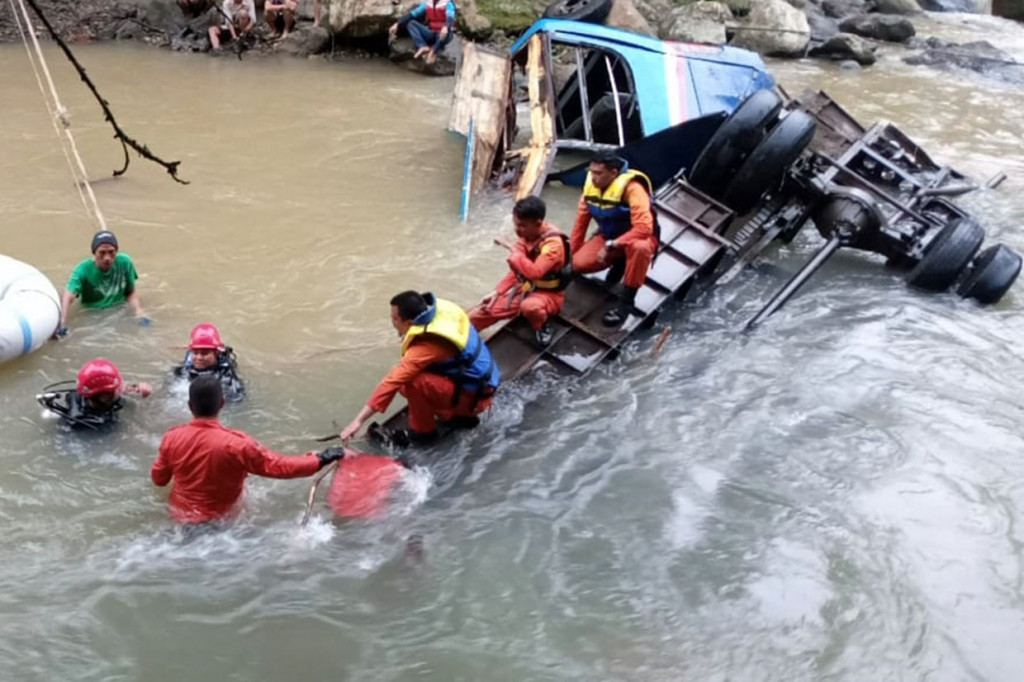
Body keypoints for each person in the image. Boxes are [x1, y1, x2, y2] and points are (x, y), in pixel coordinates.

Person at [151, 375, 345, 525]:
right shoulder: (237, 445)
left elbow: (159, 479)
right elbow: (279, 467)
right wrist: (320, 459)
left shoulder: (171, 437)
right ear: (222, 404)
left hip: (180, 517)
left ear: (189, 406)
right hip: (223, 522)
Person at [340, 290, 500, 446]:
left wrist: (358, 421)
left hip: (473, 399)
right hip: (481, 385)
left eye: (395, 319)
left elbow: (391, 381)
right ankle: (454, 413)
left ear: (410, 323)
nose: (392, 323)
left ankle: (424, 434)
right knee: (408, 379)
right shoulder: (441, 314)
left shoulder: (425, 347)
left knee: (410, 381)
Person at [570, 151, 658, 327]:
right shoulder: (590, 188)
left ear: (613, 173)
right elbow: (580, 225)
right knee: (579, 263)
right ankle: (620, 261)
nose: (593, 177)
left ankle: (626, 301)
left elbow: (644, 228)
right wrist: (569, 257)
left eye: (598, 173)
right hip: (609, 236)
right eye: (591, 172)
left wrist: (612, 245)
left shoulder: (633, 189)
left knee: (640, 248)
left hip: (637, 238)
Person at [468, 196, 570, 347]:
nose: (517, 230)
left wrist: (512, 250)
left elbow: (534, 272)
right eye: (515, 224)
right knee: (475, 316)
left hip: (548, 293)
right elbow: (518, 271)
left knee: (529, 307)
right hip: (525, 287)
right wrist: (497, 291)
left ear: (538, 223)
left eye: (522, 225)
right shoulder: (528, 235)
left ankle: (542, 325)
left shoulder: (553, 245)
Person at [56, 230, 148, 337]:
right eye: (102, 252)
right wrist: (62, 323)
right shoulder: (83, 269)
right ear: (94, 252)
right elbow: (68, 295)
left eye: (111, 252)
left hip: (118, 309)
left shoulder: (125, 263)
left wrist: (138, 311)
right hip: (92, 314)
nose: (107, 258)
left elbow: (131, 291)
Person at [37, 358, 152, 431]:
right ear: (105, 397)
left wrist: (137, 389)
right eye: (118, 388)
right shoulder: (94, 422)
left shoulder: (86, 395)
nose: (121, 388)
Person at [173, 322, 245, 403]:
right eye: (195, 353)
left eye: (204, 353)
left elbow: (236, 399)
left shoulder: (226, 377)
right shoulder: (183, 370)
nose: (199, 358)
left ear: (216, 353)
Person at [388, 0, 456, 65]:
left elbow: (450, 17)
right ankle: (422, 46)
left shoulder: (448, 3)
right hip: (431, 32)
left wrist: (446, 26)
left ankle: (433, 52)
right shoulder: (427, 3)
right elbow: (413, 14)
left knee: (444, 33)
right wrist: (397, 24)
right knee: (411, 24)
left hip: (444, 34)